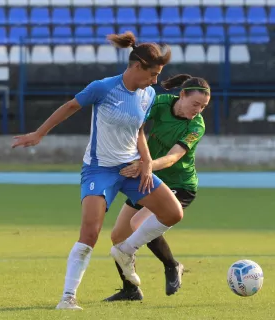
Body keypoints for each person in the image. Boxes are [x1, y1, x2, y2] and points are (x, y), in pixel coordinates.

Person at [11, 31, 184, 310]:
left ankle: (126, 250)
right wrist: (39, 133)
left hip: (131, 169)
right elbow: (70, 106)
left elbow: (138, 131)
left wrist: (147, 162)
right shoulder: (103, 87)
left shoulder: (148, 94)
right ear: (136, 66)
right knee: (90, 233)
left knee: (173, 212)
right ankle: (68, 298)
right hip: (99, 170)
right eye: (153, 74)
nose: (155, 81)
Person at [103, 74, 210, 301]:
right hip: (149, 179)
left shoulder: (196, 125)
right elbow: (137, 125)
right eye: (195, 104)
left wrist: (145, 165)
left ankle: (172, 265)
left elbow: (172, 158)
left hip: (179, 185)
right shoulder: (160, 103)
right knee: (118, 236)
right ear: (181, 95)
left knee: (138, 223)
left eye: (203, 106)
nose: (198, 110)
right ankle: (130, 290)